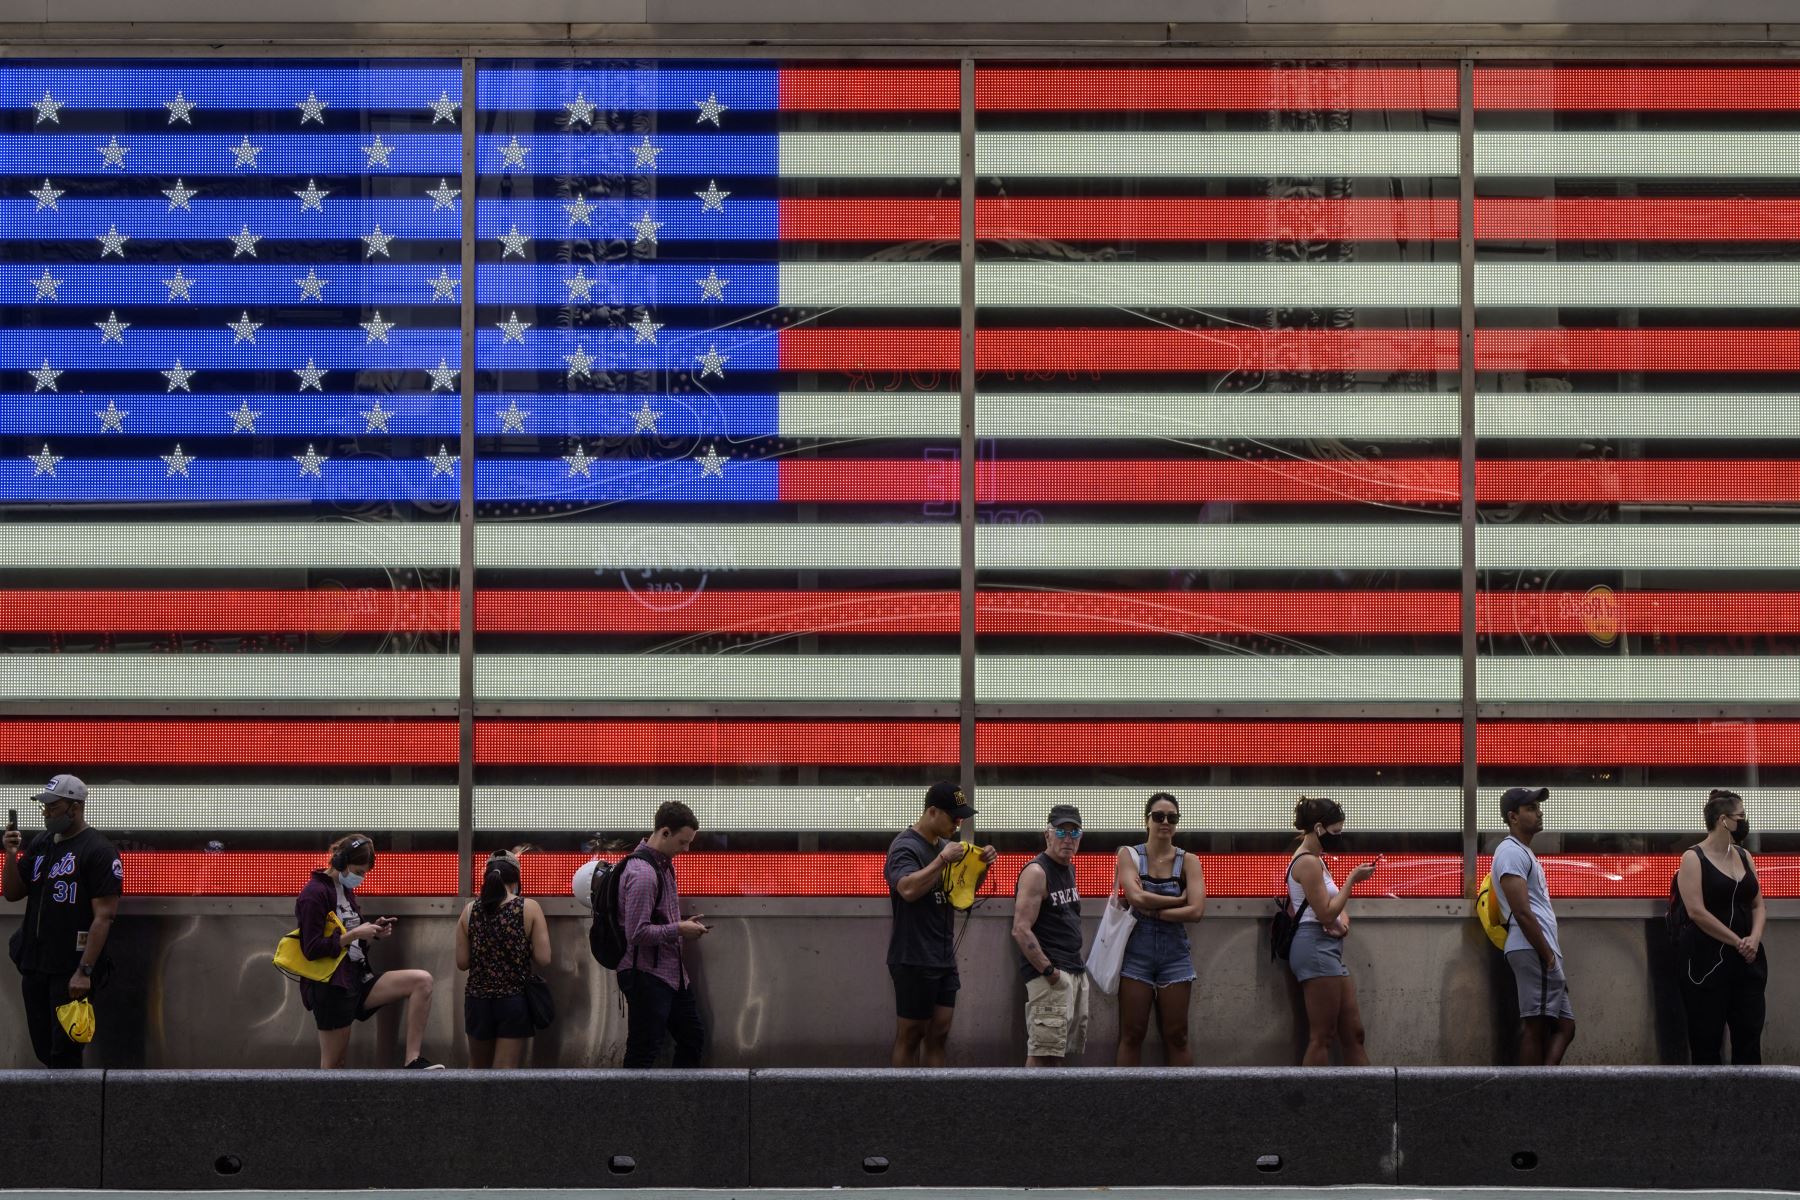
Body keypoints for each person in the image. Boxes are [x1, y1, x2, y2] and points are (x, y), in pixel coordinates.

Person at [1, 775, 122, 1068]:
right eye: (44, 806)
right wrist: (11, 854)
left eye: (53, 807)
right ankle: (57, 1109)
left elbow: (104, 916)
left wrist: (85, 971)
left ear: (75, 807)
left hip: (70, 972)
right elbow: (14, 893)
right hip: (35, 966)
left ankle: (71, 1111)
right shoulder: (42, 843)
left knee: (66, 1053)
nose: (46, 812)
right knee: (44, 1049)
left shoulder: (98, 850)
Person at [294, 834, 443, 1069]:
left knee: (421, 981)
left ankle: (412, 1060)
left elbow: (351, 943)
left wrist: (372, 934)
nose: (361, 878)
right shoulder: (315, 894)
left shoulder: (344, 890)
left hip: (357, 978)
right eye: (359, 871)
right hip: (332, 987)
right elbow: (311, 949)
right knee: (333, 1065)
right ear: (341, 862)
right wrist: (354, 934)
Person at [885, 780, 996, 1068]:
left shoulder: (946, 846)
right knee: (911, 1033)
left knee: (940, 1031)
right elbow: (907, 890)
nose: (958, 824)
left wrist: (982, 867)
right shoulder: (905, 846)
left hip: (943, 953)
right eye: (954, 817)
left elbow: (960, 892)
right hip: (913, 954)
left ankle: (935, 1100)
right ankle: (902, 1101)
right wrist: (940, 862)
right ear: (932, 812)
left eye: (962, 819)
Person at [1284, 795, 1379, 1066]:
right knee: (1323, 1035)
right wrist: (1352, 879)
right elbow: (1325, 912)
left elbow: (1331, 910)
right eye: (1335, 831)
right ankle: (1315, 1103)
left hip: (1326, 945)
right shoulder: (1307, 862)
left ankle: (1367, 1096)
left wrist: (1342, 922)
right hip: (1314, 945)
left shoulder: (1318, 859)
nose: (1339, 837)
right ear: (1318, 828)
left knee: (1353, 1033)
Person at [1113, 792, 1206, 1066]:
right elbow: (1136, 898)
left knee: (1178, 1036)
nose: (1165, 822)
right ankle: (1126, 1104)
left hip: (1175, 955)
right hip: (1136, 954)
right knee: (1132, 1034)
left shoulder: (1189, 861)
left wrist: (1154, 911)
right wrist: (1178, 900)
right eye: (1158, 816)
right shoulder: (1129, 855)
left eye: (1172, 817)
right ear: (1147, 820)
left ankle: (1181, 1104)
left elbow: (1197, 911)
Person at [1675, 789, 1767, 1065]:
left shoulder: (1743, 856)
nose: (1744, 821)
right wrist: (1736, 941)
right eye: (1741, 816)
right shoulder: (1693, 858)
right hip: (1706, 962)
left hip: (1747, 960)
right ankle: (1708, 1104)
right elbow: (1696, 912)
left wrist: (1753, 937)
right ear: (1723, 820)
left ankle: (1749, 1101)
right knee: (1706, 1039)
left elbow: (1758, 905)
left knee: (1749, 1036)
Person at [618, 801, 710, 1069]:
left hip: (670, 972)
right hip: (646, 974)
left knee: (692, 1037)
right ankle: (632, 1110)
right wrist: (680, 929)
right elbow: (636, 932)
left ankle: (678, 1106)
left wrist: (680, 924)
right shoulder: (643, 873)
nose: (686, 849)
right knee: (644, 1050)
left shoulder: (664, 866)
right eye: (683, 842)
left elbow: (654, 920)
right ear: (665, 832)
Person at [1493, 786, 1575, 1066]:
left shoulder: (1524, 853)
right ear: (1513, 817)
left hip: (1540, 949)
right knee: (1535, 1027)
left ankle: (1544, 1086)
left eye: (1538, 807)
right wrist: (1548, 956)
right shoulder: (1510, 852)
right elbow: (1523, 913)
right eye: (1530, 808)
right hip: (1533, 948)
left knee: (1565, 1026)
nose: (1539, 813)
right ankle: (1531, 1098)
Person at [456, 850, 551, 1069]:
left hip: (477, 1000)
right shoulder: (529, 907)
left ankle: (472, 1104)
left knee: (477, 1068)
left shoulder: (469, 910)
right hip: (513, 1000)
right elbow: (544, 958)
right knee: (504, 1073)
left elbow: (462, 963)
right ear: (516, 878)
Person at [1011, 803, 1089, 1066]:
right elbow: (1021, 929)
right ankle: (1029, 1107)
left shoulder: (1068, 868)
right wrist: (1050, 972)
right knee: (1042, 1051)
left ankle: (1048, 1107)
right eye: (1061, 832)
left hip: (1070, 969)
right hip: (1051, 975)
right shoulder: (1037, 872)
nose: (1067, 839)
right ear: (1047, 835)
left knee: (1055, 1053)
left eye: (1074, 833)